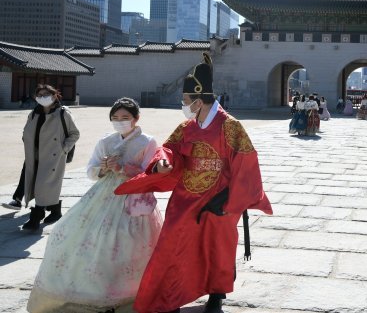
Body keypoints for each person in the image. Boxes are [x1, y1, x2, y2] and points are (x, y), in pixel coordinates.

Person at [114, 53, 272, 313]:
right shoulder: (186, 127)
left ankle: (216, 295)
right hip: (185, 197)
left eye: (185, 100)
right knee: (173, 243)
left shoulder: (231, 127)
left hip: (219, 198)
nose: (183, 104)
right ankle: (170, 294)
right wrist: (162, 163)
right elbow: (168, 150)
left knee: (216, 247)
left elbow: (247, 168)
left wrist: (229, 202)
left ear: (198, 101)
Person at [27, 97, 163, 313]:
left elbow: (150, 172)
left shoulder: (148, 142)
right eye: (115, 118)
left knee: (128, 241)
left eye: (125, 118)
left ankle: (131, 292)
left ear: (136, 119)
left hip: (133, 196)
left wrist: (123, 168)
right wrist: (104, 168)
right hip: (104, 194)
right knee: (77, 235)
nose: (120, 121)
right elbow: (91, 171)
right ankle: (92, 291)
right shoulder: (106, 141)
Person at [17, 84, 80, 230]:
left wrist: (64, 149)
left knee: (43, 184)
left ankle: (36, 216)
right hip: (35, 155)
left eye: (46, 94)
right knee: (39, 184)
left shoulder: (63, 113)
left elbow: (74, 134)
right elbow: (26, 130)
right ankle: (56, 210)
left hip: (54, 155)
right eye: (39, 95)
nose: (42, 97)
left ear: (54, 95)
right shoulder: (33, 113)